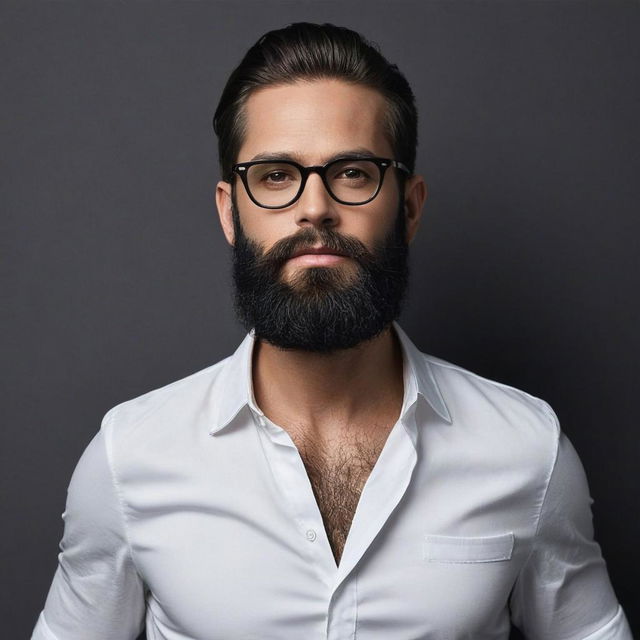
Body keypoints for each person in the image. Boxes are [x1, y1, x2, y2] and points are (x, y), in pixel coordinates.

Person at [32, 23, 632, 640]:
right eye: (273, 175)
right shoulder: (128, 460)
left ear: (410, 207)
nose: (314, 207)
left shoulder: (528, 451)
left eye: (351, 172)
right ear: (229, 213)